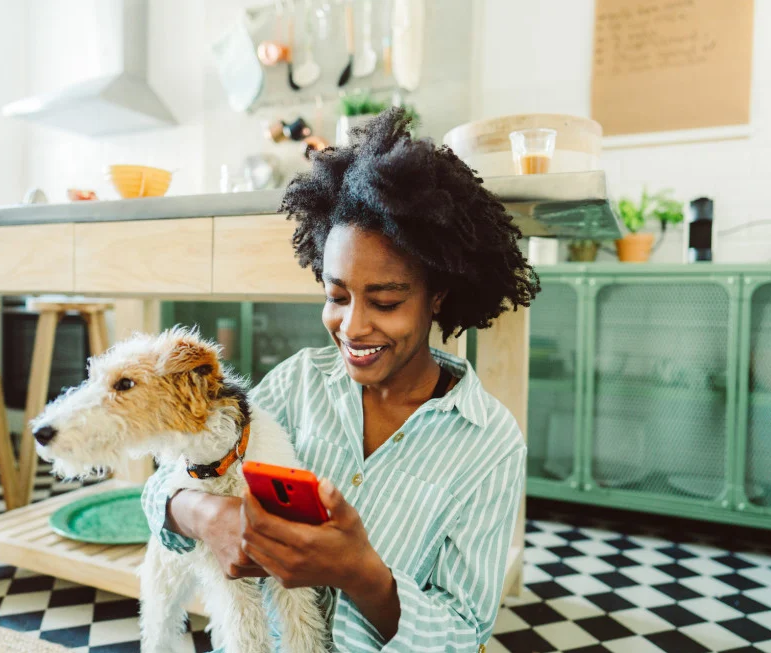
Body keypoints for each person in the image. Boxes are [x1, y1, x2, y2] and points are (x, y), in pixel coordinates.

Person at [142, 108, 540, 651]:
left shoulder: (488, 444)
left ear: (439, 296)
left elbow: (464, 630)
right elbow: (162, 485)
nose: (351, 326)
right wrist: (205, 514)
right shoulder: (296, 385)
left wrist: (361, 572)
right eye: (336, 296)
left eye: (386, 301)